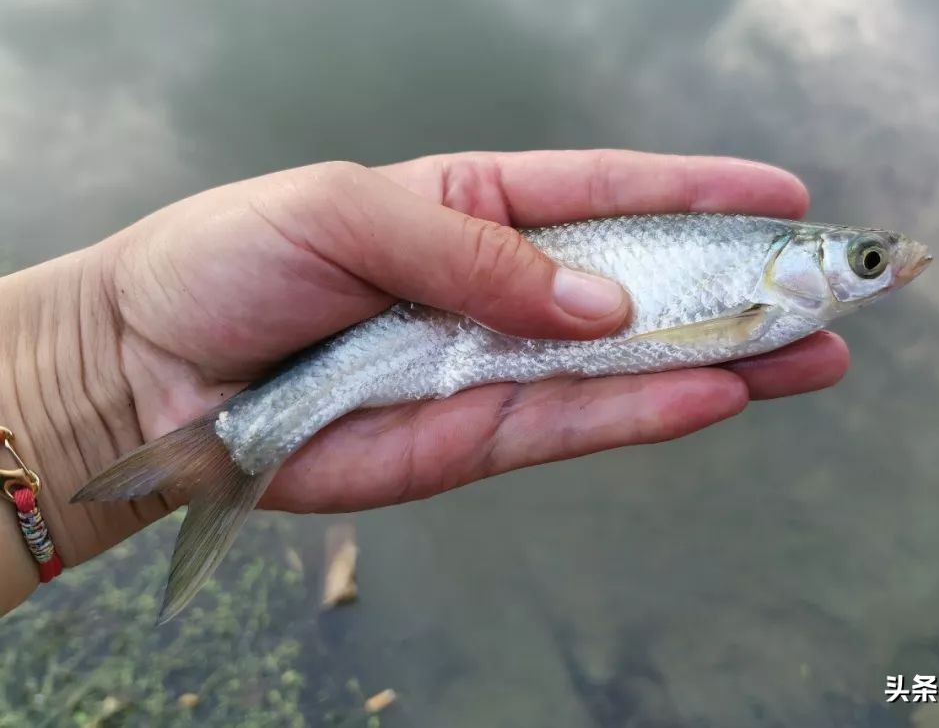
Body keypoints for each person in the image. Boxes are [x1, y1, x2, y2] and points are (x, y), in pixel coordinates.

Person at [0, 150, 848, 616]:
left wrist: (87, 381)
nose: (885, 271)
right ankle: (231, 447)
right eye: (868, 262)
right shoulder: (761, 300)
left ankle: (207, 454)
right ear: (795, 267)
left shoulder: (773, 300)